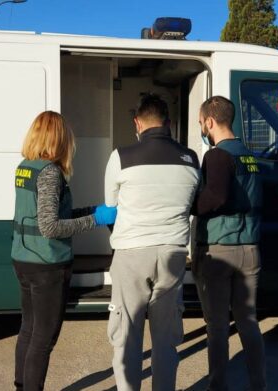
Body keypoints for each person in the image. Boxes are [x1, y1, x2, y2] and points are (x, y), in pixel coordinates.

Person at [11, 111, 117, 391]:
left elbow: (51, 214)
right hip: (47, 264)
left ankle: (21, 386)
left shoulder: (26, 166)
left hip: (23, 258)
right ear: (58, 139)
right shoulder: (49, 172)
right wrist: (96, 220)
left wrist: (94, 210)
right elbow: (50, 227)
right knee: (43, 339)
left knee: (28, 329)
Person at [104, 94, 200, 391]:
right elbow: (192, 205)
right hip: (172, 255)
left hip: (131, 254)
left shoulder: (121, 156)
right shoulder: (191, 159)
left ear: (137, 122)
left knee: (127, 337)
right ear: (168, 124)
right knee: (166, 340)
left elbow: (110, 209)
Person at [191, 96, 266, 391]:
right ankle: (259, 385)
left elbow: (216, 197)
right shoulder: (250, 156)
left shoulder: (217, 156)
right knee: (248, 321)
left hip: (220, 250)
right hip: (250, 249)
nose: (201, 127)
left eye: (200, 123)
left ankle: (217, 386)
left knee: (218, 327)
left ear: (209, 121)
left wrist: (189, 206)